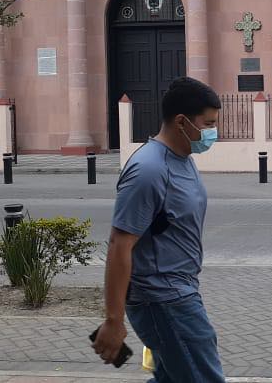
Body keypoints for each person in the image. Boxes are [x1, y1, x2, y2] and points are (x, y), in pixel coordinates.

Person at [92, 77, 224, 383]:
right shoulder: (149, 170)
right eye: (208, 124)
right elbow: (119, 245)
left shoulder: (183, 158)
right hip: (163, 299)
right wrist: (113, 320)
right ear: (181, 122)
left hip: (179, 290)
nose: (213, 132)